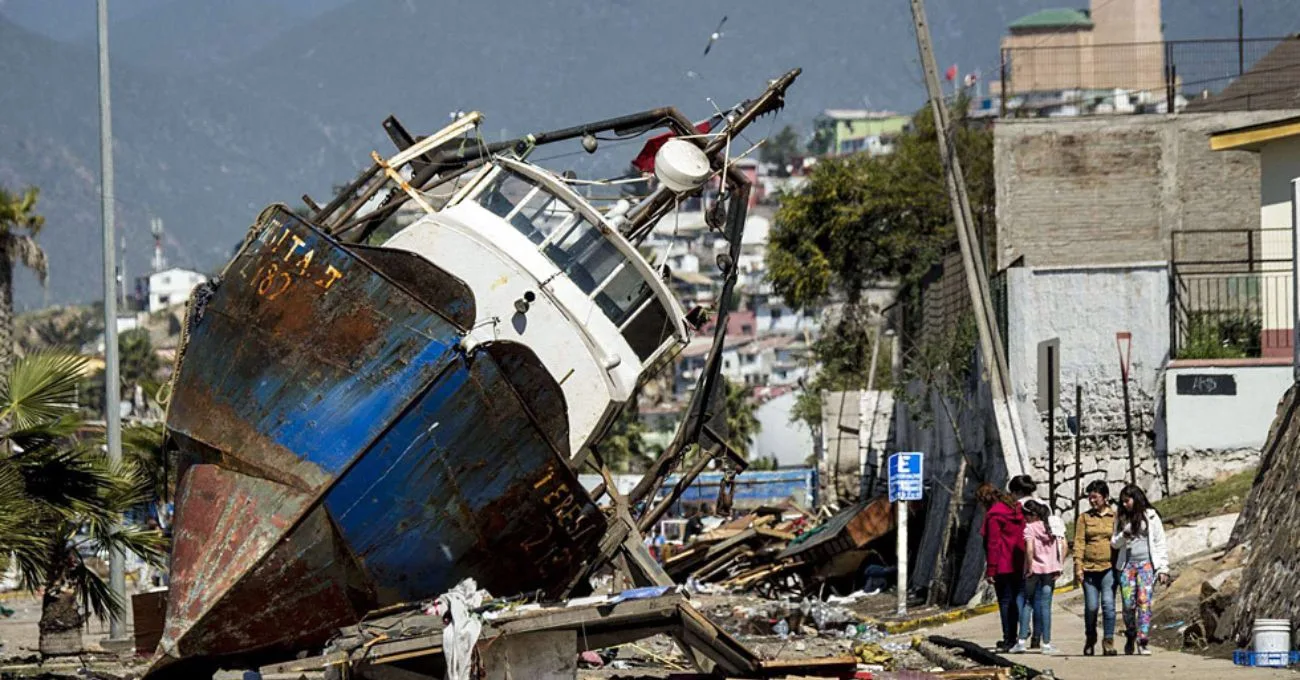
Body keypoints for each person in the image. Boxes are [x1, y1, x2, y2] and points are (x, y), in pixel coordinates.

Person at [1112, 485, 1170, 656]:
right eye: (1122, 502)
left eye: (1127, 501)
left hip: (1146, 565)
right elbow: (1114, 543)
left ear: (1136, 499)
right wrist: (1124, 534)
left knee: (1144, 602)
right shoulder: (1121, 517)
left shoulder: (1151, 516)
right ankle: (1131, 633)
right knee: (1128, 604)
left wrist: (1163, 568)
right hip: (1127, 566)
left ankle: (1143, 640)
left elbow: (1160, 543)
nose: (1124, 505)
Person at [1007, 475, 1064, 647]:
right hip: (1050, 566)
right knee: (1044, 603)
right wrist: (1059, 563)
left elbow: (1028, 546)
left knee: (1025, 600)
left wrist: (1029, 565)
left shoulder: (1018, 510)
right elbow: (1061, 540)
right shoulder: (1045, 507)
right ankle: (1041, 639)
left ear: (1016, 491)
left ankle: (1021, 637)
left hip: (1024, 562)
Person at [978, 482, 1026, 653]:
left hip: (1003, 565)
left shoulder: (994, 515)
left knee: (1006, 602)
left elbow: (993, 543)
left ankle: (1009, 639)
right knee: (1020, 599)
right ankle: (1025, 635)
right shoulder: (1017, 510)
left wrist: (991, 570)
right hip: (1021, 561)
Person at [1074, 480, 1118, 656]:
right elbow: (1079, 542)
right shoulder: (1084, 518)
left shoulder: (1114, 517)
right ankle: (1090, 637)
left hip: (1108, 568)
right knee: (1092, 607)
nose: (1092, 501)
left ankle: (1108, 641)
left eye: (1096, 497)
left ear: (1105, 497)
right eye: (1090, 497)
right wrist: (1078, 566)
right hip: (1089, 570)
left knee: (1108, 605)